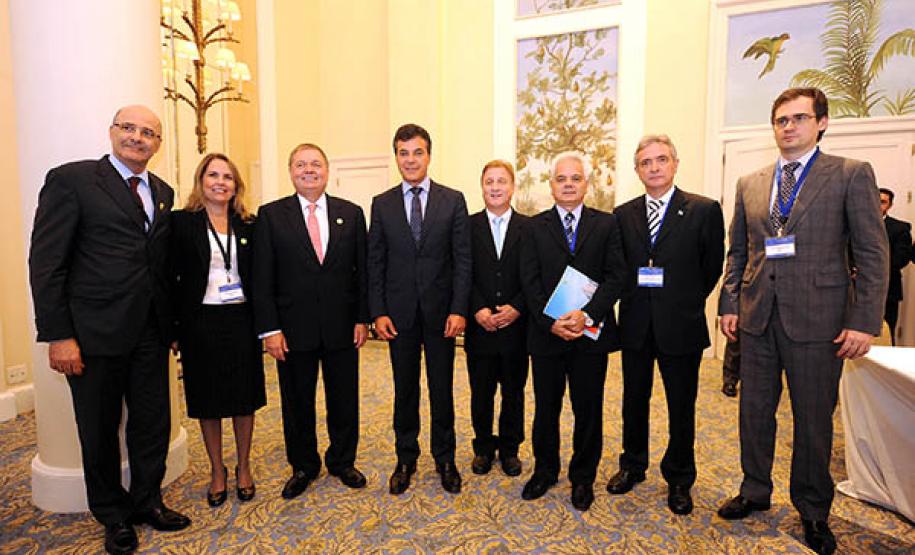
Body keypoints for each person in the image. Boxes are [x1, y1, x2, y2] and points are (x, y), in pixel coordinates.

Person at [718, 88, 889, 555]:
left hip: (820, 321)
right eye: (780, 120)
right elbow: (739, 251)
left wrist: (864, 321)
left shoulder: (850, 175)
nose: (788, 127)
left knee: (812, 420)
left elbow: (873, 253)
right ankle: (755, 489)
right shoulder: (750, 183)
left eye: (798, 118)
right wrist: (729, 303)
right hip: (757, 318)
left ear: (822, 123)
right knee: (754, 413)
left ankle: (813, 509)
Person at [28, 105, 190, 555]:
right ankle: (113, 515)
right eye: (129, 129)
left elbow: (160, 267)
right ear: (112, 132)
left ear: (158, 144)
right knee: (98, 428)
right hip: (93, 333)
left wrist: (172, 327)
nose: (138, 138)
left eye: (149, 133)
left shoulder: (162, 191)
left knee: (152, 423)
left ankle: (147, 501)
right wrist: (58, 335)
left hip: (151, 333)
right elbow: (46, 263)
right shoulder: (73, 180)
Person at [607, 135, 724, 515]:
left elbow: (711, 269)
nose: (654, 167)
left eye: (661, 160)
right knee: (633, 401)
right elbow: (619, 270)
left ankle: (679, 477)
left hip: (682, 325)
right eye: (645, 162)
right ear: (637, 170)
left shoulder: (704, 210)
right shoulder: (622, 215)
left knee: (681, 406)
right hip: (637, 325)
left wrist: (682, 299)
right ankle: (633, 465)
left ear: (675, 163)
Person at [252, 143, 370, 499]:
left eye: (315, 164)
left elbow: (361, 273)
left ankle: (342, 460)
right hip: (292, 331)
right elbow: (262, 278)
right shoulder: (271, 216)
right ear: (291, 172)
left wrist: (362, 319)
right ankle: (303, 465)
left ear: (327, 170)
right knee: (297, 401)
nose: (308, 170)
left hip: (341, 327)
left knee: (344, 398)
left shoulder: (350, 214)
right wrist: (270, 330)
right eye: (301, 164)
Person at [368, 124, 472, 495]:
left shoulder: (453, 200)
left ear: (429, 155)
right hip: (399, 317)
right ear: (396, 156)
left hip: (442, 314)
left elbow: (463, 260)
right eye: (403, 153)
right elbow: (375, 261)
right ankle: (406, 457)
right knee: (404, 389)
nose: (410, 160)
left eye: (417, 152)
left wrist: (460, 308)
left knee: (442, 389)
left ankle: (445, 458)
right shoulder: (382, 204)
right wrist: (377, 312)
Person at [519, 152, 625, 512]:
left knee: (588, 409)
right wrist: (552, 322)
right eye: (561, 178)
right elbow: (528, 281)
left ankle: (582, 478)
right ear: (551, 186)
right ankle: (545, 471)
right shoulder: (533, 227)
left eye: (575, 178)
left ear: (586, 184)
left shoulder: (607, 224)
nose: (568, 184)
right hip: (546, 335)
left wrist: (587, 315)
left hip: (589, 336)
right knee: (546, 409)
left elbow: (617, 277)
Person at [170, 153, 266, 507]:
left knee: (244, 398)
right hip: (200, 322)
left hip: (241, 320)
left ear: (236, 186)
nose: (220, 182)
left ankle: (243, 466)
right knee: (207, 400)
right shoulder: (181, 223)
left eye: (228, 176)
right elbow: (168, 279)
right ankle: (216, 470)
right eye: (213, 175)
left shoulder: (248, 224)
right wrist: (173, 329)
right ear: (201, 180)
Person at [464, 160, 530, 477]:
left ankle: (510, 449)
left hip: (517, 328)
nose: (495, 187)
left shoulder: (529, 228)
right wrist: (477, 309)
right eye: (489, 181)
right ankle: (483, 448)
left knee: (513, 393)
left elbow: (533, 276)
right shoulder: (467, 226)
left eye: (501, 181)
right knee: (481, 392)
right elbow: (462, 272)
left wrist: (517, 307)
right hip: (481, 327)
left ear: (512, 187)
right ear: (482, 186)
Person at [878, 188, 912, 345]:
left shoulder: (900, 228)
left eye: (883, 202)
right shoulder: (852, 224)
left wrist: (868, 269)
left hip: (888, 289)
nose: (878, 204)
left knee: (886, 332)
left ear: (890, 205)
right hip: (853, 289)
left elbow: (901, 258)